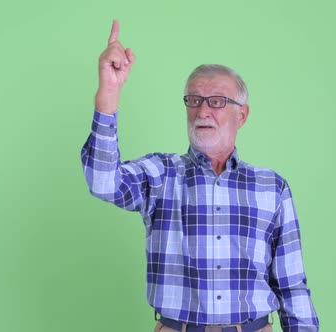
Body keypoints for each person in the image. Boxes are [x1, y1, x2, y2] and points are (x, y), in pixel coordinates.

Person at [81, 20, 319, 332]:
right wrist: (109, 93)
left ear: (242, 115)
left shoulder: (272, 188)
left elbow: (291, 284)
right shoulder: (161, 174)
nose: (203, 110)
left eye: (217, 101)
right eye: (194, 100)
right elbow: (102, 182)